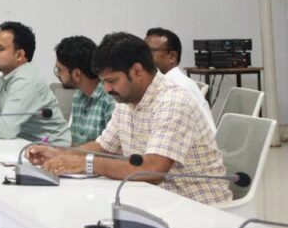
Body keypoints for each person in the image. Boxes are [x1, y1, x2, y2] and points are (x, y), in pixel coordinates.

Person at [27, 32, 230, 205]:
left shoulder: (172, 101)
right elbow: (103, 147)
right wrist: (60, 153)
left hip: (198, 210)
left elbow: (153, 170)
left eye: (112, 81)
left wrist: (88, 163)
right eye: (104, 82)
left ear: (137, 71)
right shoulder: (126, 100)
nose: (107, 89)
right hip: (155, 202)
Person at [0, 22, 71, 145]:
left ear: (19, 55)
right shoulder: (4, 79)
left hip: (52, 148)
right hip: (22, 144)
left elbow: (5, 129)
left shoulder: (26, 81)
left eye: (0, 48)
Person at [144, 27, 215, 133]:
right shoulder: (162, 83)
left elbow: (209, 132)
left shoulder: (179, 87)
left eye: (150, 51)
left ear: (172, 57)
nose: (142, 57)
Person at [54, 36, 115, 146]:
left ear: (77, 74)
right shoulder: (78, 96)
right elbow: (75, 144)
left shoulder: (110, 100)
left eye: (59, 70)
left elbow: (111, 149)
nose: (57, 74)